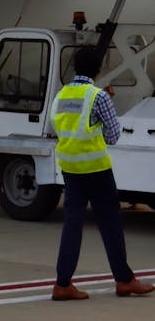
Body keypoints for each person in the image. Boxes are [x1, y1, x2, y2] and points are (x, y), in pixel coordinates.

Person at [50, 46, 155, 300]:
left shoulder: (62, 95)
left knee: (72, 225)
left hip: (70, 168)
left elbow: (57, 125)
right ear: (98, 70)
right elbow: (112, 135)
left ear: (76, 67)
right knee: (110, 224)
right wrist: (103, 107)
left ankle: (62, 284)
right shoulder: (98, 96)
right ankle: (124, 280)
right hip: (96, 169)